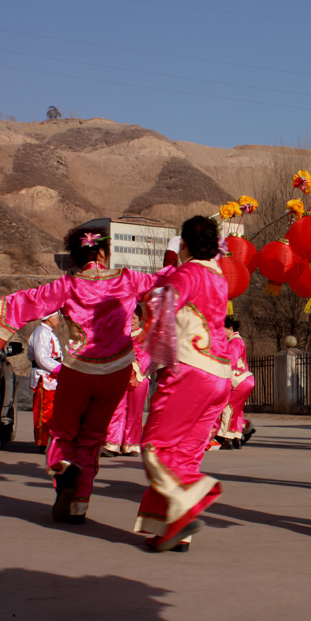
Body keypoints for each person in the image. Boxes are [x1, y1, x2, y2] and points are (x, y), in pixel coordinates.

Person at [0, 225, 178, 525]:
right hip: (116, 370)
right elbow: (165, 279)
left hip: (78, 368)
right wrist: (180, 254)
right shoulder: (128, 279)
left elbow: (27, 301)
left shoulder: (68, 285)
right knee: (92, 439)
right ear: (102, 252)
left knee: (62, 431)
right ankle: (79, 506)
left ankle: (63, 473)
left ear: (76, 256)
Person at [133, 216, 231, 553]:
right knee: (184, 455)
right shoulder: (220, 277)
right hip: (220, 374)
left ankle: (188, 499)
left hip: (191, 370)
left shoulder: (190, 273)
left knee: (155, 448)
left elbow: (162, 302)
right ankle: (173, 530)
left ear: (185, 243)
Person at [103, 310, 151, 457]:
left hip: (139, 378)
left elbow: (145, 357)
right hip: (119, 376)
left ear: (140, 319)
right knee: (117, 409)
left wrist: (132, 367)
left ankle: (131, 444)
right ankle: (112, 442)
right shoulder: (119, 336)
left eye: (134, 318)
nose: (132, 321)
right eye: (129, 318)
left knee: (135, 412)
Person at [215, 317, 256, 450]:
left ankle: (226, 438)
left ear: (230, 328)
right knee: (237, 410)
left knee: (228, 408)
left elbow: (231, 363)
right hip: (246, 379)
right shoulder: (239, 341)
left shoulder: (234, 342)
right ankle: (237, 436)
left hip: (239, 379)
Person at [26, 312, 62, 453]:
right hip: (45, 376)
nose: (59, 320)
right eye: (57, 317)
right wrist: (59, 369)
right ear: (50, 318)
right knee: (44, 411)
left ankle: (50, 441)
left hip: (52, 376)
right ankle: (43, 441)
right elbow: (41, 358)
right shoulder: (41, 333)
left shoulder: (48, 333)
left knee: (52, 411)